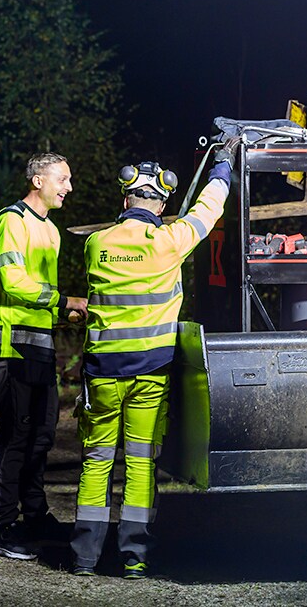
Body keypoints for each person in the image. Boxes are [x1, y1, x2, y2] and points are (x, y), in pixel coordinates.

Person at [69, 149, 234, 579]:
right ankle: (134, 557)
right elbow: (207, 210)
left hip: (102, 375)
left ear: (125, 201)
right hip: (150, 373)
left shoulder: (96, 244)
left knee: (97, 461)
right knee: (141, 462)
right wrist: (223, 168)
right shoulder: (169, 242)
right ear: (161, 206)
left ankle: (85, 556)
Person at [0, 152, 88, 560]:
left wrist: (65, 310)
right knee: (16, 433)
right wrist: (64, 302)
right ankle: (2, 529)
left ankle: (35, 514)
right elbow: (13, 282)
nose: (69, 187)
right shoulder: (11, 221)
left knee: (42, 433)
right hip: (10, 345)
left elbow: (39, 293)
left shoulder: (51, 230)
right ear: (38, 180)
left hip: (39, 344)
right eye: (63, 178)